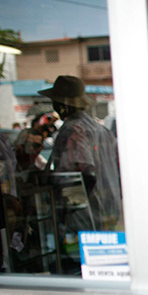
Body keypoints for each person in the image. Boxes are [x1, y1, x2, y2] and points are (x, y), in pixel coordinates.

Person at [38, 75, 122, 231]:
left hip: (86, 213)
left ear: (63, 105)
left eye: (56, 102)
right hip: (109, 208)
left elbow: (85, 172)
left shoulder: (73, 129)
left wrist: (71, 206)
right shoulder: (100, 129)